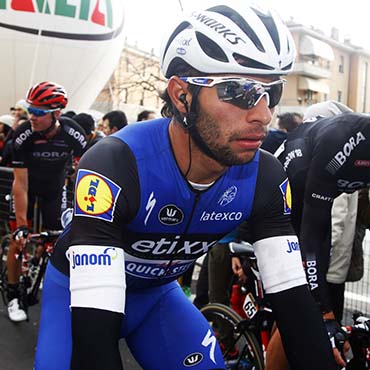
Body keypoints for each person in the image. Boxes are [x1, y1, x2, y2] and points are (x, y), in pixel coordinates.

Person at [35, 3, 336, 370]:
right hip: (74, 298)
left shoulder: (265, 177)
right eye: (239, 91)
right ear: (181, 95)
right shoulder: (116, 165)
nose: (263, 113)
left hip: (158, 297)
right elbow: (92, 345)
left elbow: (295, 309)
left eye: (270, 92)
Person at [268, 101, 370, 369]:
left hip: (316, 199)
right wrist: (324, 313)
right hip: (290, 196)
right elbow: (313, 233)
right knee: (300, 308)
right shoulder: (344, 140)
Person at [7, 81, 87, 322]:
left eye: (39, 112)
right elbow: (19, 183)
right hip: (28, 187)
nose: (32, 116)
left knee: (57, 238)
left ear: (56, 113)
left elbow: (83, 174)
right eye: (31, 110)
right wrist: (21, 224)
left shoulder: (74, 134)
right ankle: (13, 295)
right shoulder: (23, 135)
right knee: (19, 239)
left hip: (54, 189)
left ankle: (41, 263)